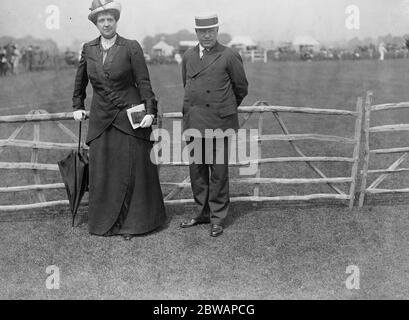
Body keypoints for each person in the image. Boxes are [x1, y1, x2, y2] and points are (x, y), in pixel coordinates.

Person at [72, 0, 166, 241]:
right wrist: (77, 106)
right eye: (101, 20)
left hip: (130, 116)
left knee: (133, 169)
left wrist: (150, 111)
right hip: (102, 118)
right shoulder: (88, 48)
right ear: (95, 22)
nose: (106, 24)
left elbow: (143, 82)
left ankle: (134, 224)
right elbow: (80, 81)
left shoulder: (131, 47)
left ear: (116, 21)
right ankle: (107, 224)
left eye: (110, 19)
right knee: (105, 170)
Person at [179, 13, 248, 237]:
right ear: (196, 33)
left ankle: (217, 218)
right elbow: (187, 85)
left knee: (218, 173)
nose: (206, 35)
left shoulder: (229, 55)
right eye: (202, 32)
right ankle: (201, 213)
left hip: (220, 123)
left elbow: (241, 88)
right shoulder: (188, 56)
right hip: (194, 121)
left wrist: (223, 108)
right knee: (197, 171)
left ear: (217, 31)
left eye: (211, 31)